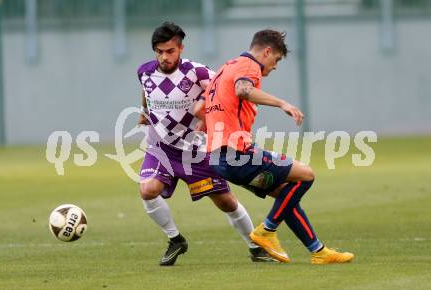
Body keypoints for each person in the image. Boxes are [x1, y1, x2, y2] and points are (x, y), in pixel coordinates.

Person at [196, 29, 354, 264]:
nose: (275, 66)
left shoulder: (224, 69)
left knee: (285, 195)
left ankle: (318, 251)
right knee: (306, 175)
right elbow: (243, 90)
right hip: (238, 154)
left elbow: (202, 111)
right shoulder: (249, 66)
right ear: (267, 51)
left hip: (219, 160)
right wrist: (282, 103)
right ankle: (266, 230)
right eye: (276, 59)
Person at [136, 22, 275, 266]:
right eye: (159, 51)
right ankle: (175, 239)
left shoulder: (197, 72)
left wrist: (213, 118)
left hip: (195, 150)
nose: (164, 57)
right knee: (147, 190)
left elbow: (221, 88)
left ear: (180, 48)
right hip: (161, 148)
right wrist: (143, 111)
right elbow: (146, 90)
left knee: (225, 202)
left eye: (170, 51)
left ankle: (256, 247)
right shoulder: (144, 71)